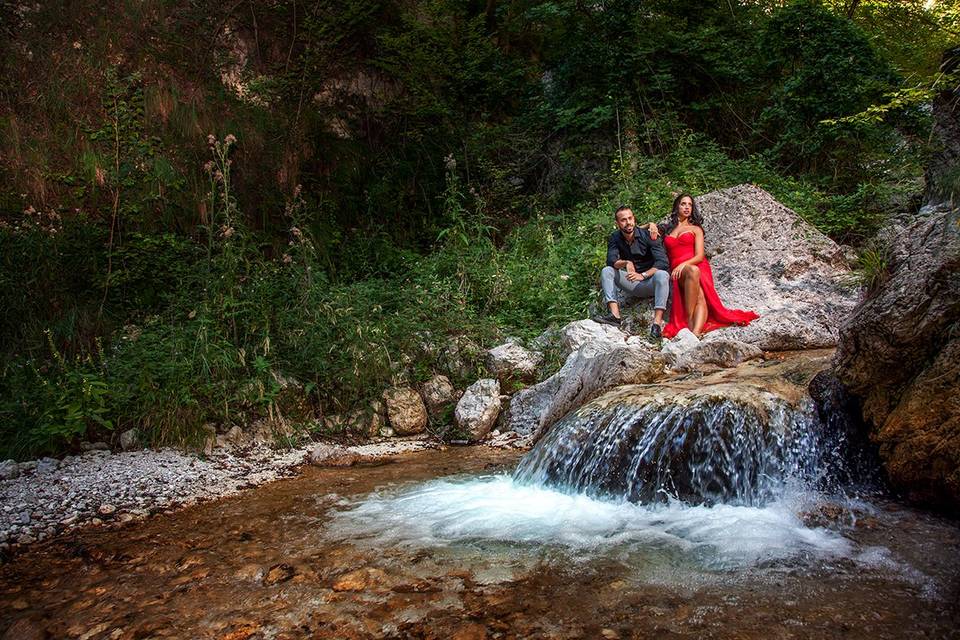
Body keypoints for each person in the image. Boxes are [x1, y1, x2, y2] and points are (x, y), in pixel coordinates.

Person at [659, 193, 759, 338]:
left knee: (700, 295)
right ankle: (691, 322)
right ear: (676, 206)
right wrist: (650, 225)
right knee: (696, 289)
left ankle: (695, 331)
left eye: (690, 205)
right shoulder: (667, 229)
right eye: (683, 204)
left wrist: (683, 265)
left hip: (696, 265)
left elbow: (699, 255)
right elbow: (639, 229)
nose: (687, 207)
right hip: (678, 270)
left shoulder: (696, 229)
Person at [594, 205, 670, 339]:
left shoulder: (649, 234)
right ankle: (615, 316)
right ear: (617, 223)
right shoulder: (615, 238)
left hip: (652, 282)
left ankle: (656, 325)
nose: (628, 222)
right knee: (607, 271)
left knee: (663, 274)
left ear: (634, 219)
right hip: (632, 283)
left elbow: (663, 262)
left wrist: (643, 275)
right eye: (623, 220)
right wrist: (626, 263)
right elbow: (611, 261)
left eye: (630, 218)